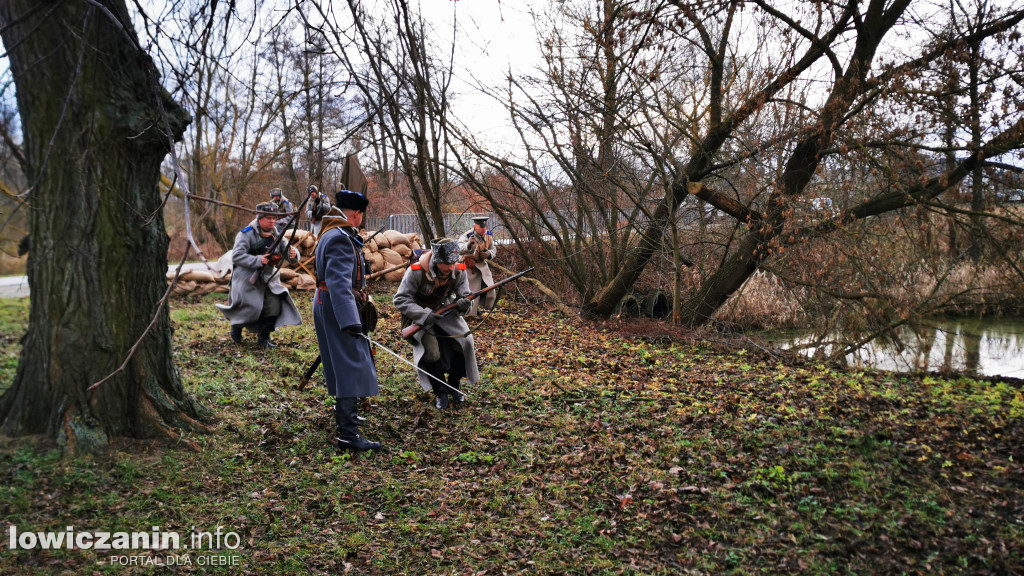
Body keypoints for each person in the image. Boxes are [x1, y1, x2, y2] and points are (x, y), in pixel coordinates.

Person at [313, 189, 381, 451]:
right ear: (356, 214)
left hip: (328, 303)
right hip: (336, 307)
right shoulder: (340, 238)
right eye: (361, 215)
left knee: (343, 364)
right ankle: (348, 435)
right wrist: (350, 320)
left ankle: (347, 419)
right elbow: (339, 282)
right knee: (350, 365)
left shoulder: (332, 232)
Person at [393, 238, 478, 409]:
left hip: (444, 310)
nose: (450, 267)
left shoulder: (458, 270)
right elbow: (400, 299)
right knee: (431, 352)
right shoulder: (415, 271)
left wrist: (464, 304)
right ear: (436, 261)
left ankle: (454, 385)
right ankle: (440, 391)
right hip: (418, 314)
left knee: (465, 342)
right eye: (446, 263)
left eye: (453, 262)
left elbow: (465, 297)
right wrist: (424, 315)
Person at [216, 203, 302, 348]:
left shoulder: (277, 234)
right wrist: (257, 260)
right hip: (247, 279)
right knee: (247, 309)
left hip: (269, 278)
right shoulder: (246, 234)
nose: (272, 221)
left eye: (274, 218)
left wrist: (294, 254)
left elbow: (288, 252)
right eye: (268, 218)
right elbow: (236, 256)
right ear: (260, 218)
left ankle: (263, 339)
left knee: (273, 307)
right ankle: (236, 329)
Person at [457, 216, 498, 316]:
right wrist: (468, 245)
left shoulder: (488, 235)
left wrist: (489, 254)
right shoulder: (467, 236)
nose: (484, 229)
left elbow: (493, 249)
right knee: (472, 291)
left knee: (489, 288)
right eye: (481, 227)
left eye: (485, 227)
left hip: (482, 265)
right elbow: (459, 248)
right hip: (469, 267)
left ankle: (483, 306)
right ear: (475, 226)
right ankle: (470, 312)